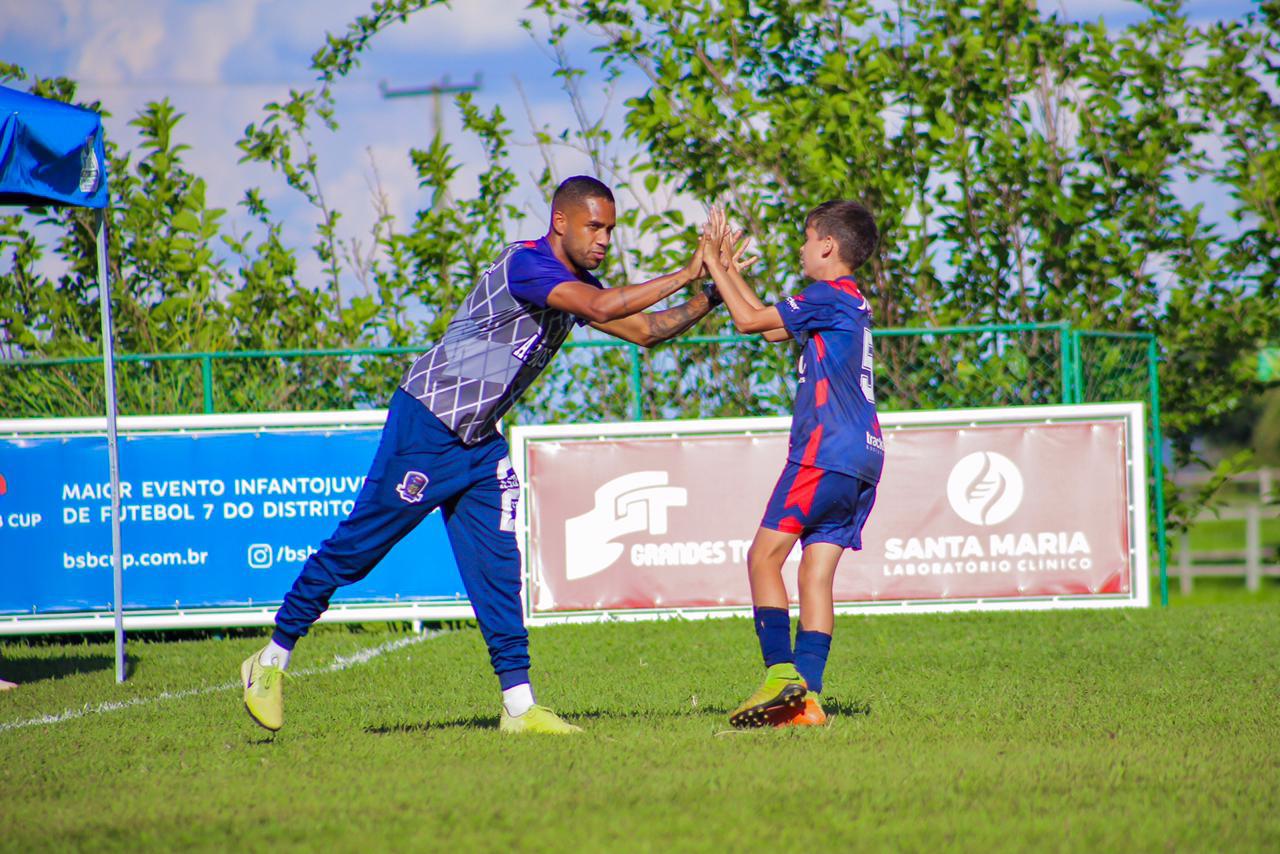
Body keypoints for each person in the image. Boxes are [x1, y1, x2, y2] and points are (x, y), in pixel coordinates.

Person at [242, 176, 723, 735]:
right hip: (427, 423)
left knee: (498, 567)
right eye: (595, 226)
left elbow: (646, 331)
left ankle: (519, 707)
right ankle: (271, 659)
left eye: (611, 230)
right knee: (357, 548)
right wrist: (688, 270)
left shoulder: (575, 282)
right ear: (560, 221)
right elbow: (602, 303)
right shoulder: (529, 266)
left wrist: (710, 293)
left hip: (478, 441)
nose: (604, 240)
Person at [699, 201, 883, 728]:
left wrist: (713, 263)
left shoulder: (827, 294)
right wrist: (730, 272)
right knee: (815, 576)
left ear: (827, 246)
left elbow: (747, 320)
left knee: (762, 558)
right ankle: (809, 702)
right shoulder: (846, 300)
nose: (801, 248)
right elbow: (773, 329)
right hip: (865, 457)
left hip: (825, 451)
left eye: (806, 238)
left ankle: (781, 676)